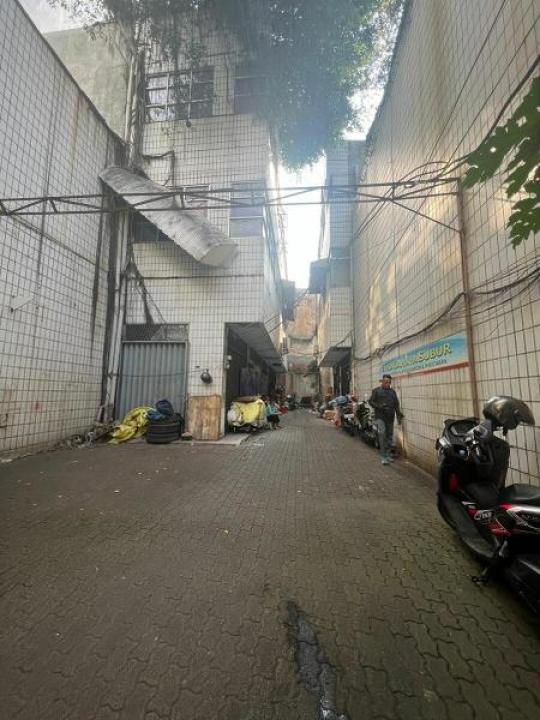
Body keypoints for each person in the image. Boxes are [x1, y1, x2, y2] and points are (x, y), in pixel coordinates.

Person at [369, 374, 403, 465]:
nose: (387, 384)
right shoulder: (376, 391)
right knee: (382, 435)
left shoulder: (392, 392)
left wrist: (398, 415)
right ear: (382, 382)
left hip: (390, 417)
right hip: (380, 417)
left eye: (389, 382)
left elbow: (396, 404)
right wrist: (379, 406)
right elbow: (371, 401)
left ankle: (388, 454)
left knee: (389, 436)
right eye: (386, 382)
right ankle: (383, 456)